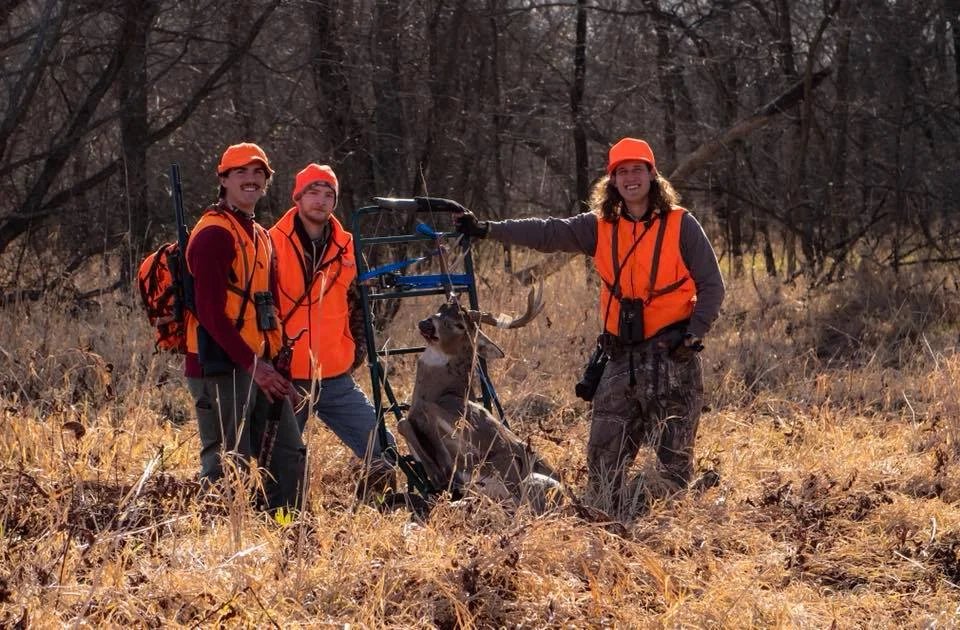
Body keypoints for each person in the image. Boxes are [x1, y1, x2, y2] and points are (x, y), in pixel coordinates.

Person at [453, 137, 725, 515]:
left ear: (652, 175)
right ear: (612, 180)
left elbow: (712, 285)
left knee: (672, 471)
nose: (630, 178)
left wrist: (694, 333)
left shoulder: (681, 224)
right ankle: (615, 522)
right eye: (621, 172)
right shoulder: (599, 226)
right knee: (601, 473)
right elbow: (546, 232)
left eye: (637, 170)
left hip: (672, 357)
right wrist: (486, 229)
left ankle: (666, 522)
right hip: (620, 358)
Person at [184, 142, 305, 511]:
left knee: (287, 459)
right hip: (220, 366)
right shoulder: (213, 235)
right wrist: (254, 366)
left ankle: (284, 536)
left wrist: (277, 368)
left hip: (260, 366)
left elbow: (269, 307)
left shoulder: (261, 236)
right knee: (228, 465)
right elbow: (210, 312)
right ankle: (221, 547)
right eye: (241, 172)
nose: (251, 180)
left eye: (258, 173)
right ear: (223, 179)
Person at [269, 163, 395, 492]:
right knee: (281, 464)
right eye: (313, 192)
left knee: (384, 449)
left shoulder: (348, 247)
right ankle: (283, 524)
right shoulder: (269, 245)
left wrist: (353, 354)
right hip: (287, 380)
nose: (321, 201)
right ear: (297, 197)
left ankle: (375, 514)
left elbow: (359, 307)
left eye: (329, 195)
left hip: (335, 376)